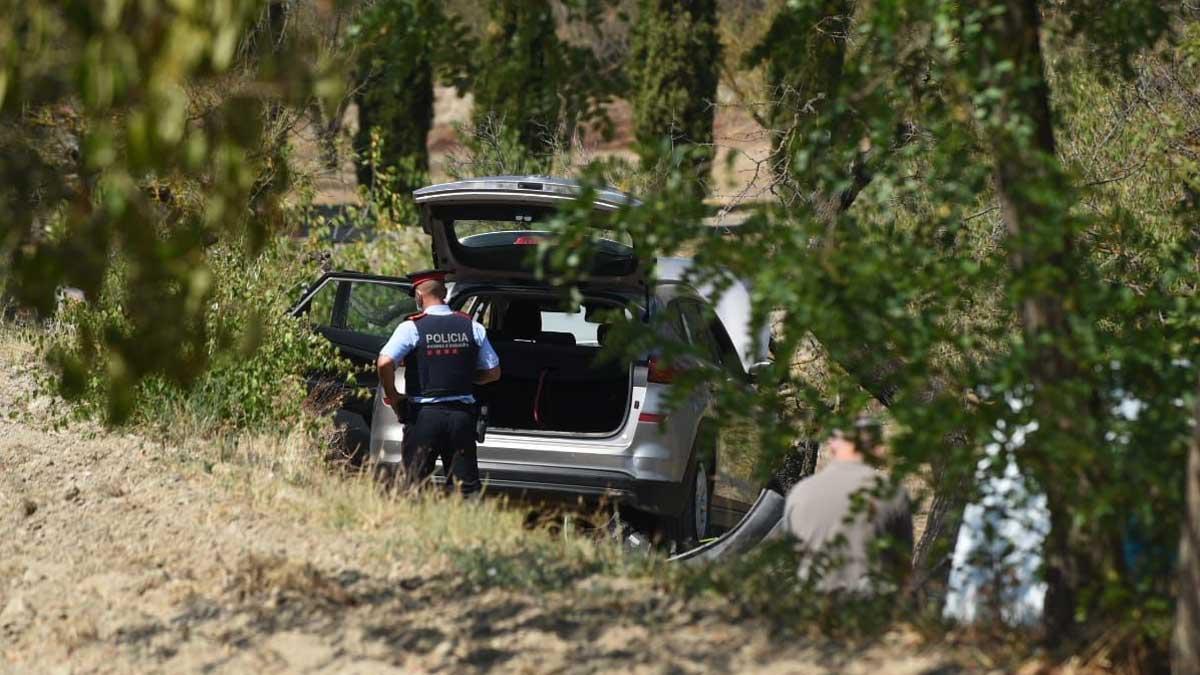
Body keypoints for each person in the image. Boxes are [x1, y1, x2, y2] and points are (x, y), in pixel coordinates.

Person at [376, 270, 501, 494]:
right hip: (461, 419)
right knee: (465, 490)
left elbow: (384, 363)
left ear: (419, 296)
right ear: (444, 292)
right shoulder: (472, 326)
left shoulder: (411, 328)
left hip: (423, 417)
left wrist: (393, 396)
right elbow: (493, 372)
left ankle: (414, 527)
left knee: (414, 486)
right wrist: (465, 376)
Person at [781, 416, 913, 593]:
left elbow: (789, 558)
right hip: (868, 610)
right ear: (875, 448)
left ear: (833, 445)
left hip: (810, 608)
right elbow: (903, 566)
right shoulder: (891, 493)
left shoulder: (800, 492)